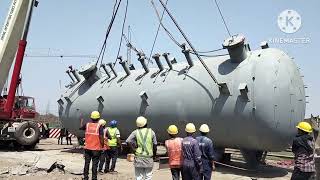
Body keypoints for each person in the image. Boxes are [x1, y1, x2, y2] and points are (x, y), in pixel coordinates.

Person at [79, 111, 104, 180]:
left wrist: (81, 121)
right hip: (96, 149)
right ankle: (94, 178)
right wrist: (102, 147)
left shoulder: (87, 125)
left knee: (87, 163)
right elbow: (101, 137)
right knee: (95, 164)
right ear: (98, 118)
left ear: (91, 118)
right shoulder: (99, 126)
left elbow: (81, 128)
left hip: (87, 148)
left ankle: (85, 177)